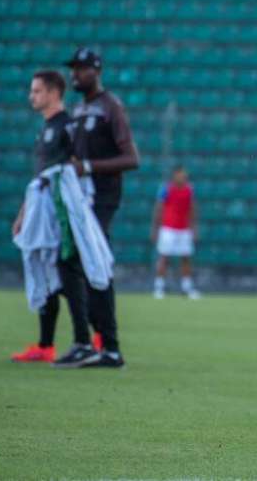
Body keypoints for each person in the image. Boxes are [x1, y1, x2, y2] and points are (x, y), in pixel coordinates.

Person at [9, 70, 100, 367]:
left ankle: (93, 333)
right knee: (46, 270)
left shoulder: (68, 126)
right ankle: (46, 345)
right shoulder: (46, 128)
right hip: (40, 210)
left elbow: (78, 171)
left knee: (65, 272)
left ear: (53, 92)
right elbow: (39, 176)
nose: (31, 96)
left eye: (36, 91)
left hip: (59, 213)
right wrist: (24, 212)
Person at [67, 47, 140, 368]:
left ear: (96, 70)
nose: (75, 74)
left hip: (101, 198)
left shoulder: (111, 107)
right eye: (73, 69)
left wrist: (88, 166)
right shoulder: (80, 108)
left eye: (81, 69)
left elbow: (131, 158)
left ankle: (109, 346)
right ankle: (90, 341)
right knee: (77, 266)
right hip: (79, 200)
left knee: (95, 265)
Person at [151, 165, 200, 300]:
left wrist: (194, 229)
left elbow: (192, 209)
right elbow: (158, 208)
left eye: (184, 175)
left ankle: (187, 287)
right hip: (168, 229)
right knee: (164, 258)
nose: (183, 177)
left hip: (184, 229)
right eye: (181, 174)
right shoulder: (166, 189)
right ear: (174, 175)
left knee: (186, 258)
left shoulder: (189, 190)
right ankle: (159, 287)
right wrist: (155, 229)